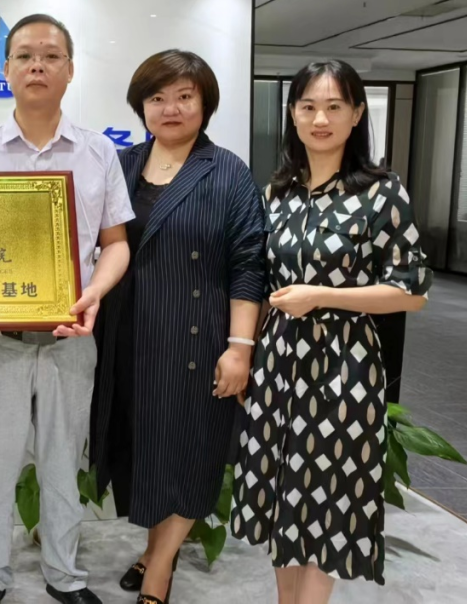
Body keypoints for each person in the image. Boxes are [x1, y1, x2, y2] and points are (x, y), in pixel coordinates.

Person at [230, 60, 432, 604]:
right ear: (292, 115)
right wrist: (247, 352)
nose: (320, 119)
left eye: (334, 107)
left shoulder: (382, 192)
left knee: (327, 496)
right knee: (282, 494)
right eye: (309, 107)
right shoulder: (279, 192)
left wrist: (321, 295)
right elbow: (259, 280)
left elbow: (412, 291)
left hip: (344, 363)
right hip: (278, 361)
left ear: (357, 114)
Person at [0, 14, 133, 604]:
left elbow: (116, 243)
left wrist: (94, 292)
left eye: (51, 56)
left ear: (70, 70)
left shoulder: (99, 152)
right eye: (25, 55)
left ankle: (64, 576)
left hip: (70, 339)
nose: (37, 66)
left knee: (62, 467)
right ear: (5, 69)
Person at [89, 50, 266, 604]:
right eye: (157, 97)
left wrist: (240, 347)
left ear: (205, 104)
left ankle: (160, 570)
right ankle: (151, 550)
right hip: (125, 338)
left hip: (197, 338)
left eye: (184, 96)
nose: (171, 108)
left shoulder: (228, 171)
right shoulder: (120, 164)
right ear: (141, 106)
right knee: (143, 453)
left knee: (190, 453)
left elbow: (249, 264)